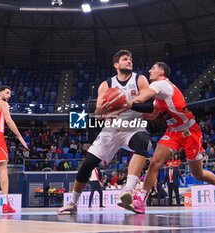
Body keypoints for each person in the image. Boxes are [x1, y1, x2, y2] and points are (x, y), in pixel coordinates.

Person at [122, 62, 215, 213]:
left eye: (153, 68)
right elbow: (153, 115)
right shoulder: (158, 94)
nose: (149, 70)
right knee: (155, 162)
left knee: (198, 174)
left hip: (190, 131)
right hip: (173, 132)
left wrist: (124, 102)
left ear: (162, 72)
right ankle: (141, 200)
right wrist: (131, 115)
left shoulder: (162, 84)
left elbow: (141, 99)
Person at [58, 49, 152, 214]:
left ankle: (127, 191)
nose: (129, 61)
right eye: (125, 59)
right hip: (112, 128)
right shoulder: (106, 85)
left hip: (133, 125)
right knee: (87, 165)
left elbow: (149, 105)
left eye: (130, 59)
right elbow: (98, 112)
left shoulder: (140, 79)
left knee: (143, 141)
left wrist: (128, 103)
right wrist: (106, 111)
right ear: (116, 65)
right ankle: (73, 203)